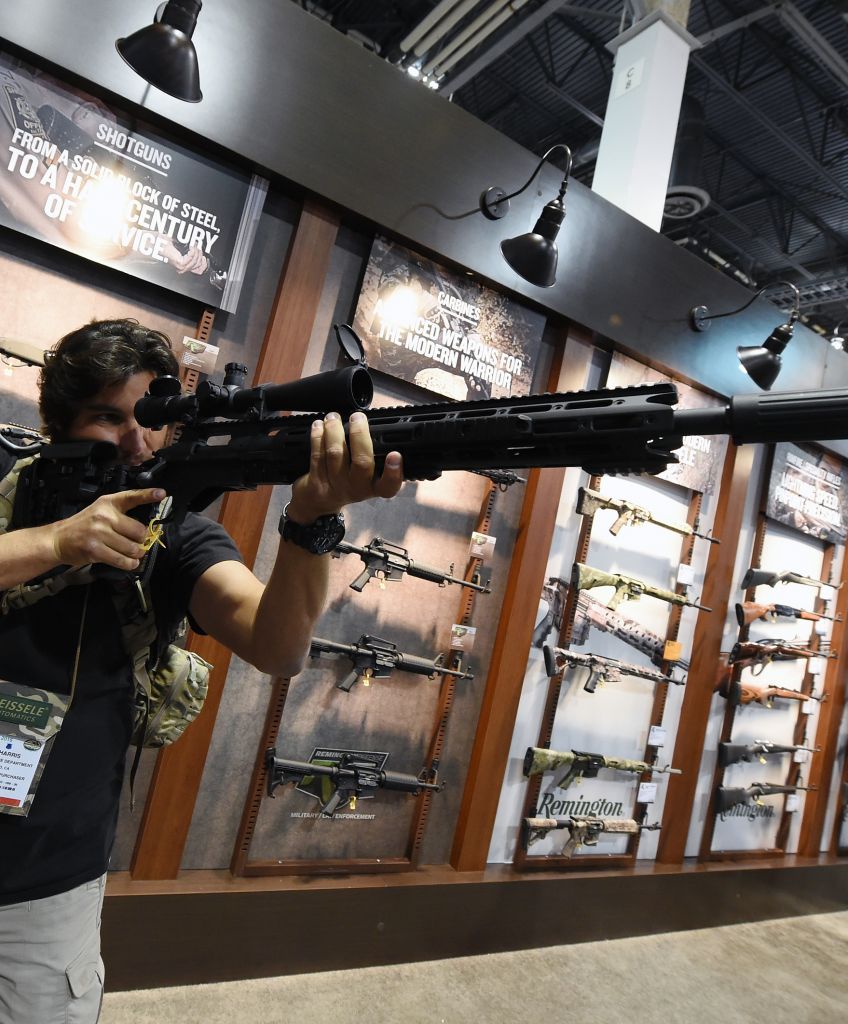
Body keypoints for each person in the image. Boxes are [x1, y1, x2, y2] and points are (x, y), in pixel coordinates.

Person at [0, 318, 404, 1023]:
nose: (138, 441)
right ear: (57, 422)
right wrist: (55, 542)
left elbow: (278, 648)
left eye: (151, 420)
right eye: (109, 418)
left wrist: (312, 519)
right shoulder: (9, 484)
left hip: (47, 876)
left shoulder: (178, 533)